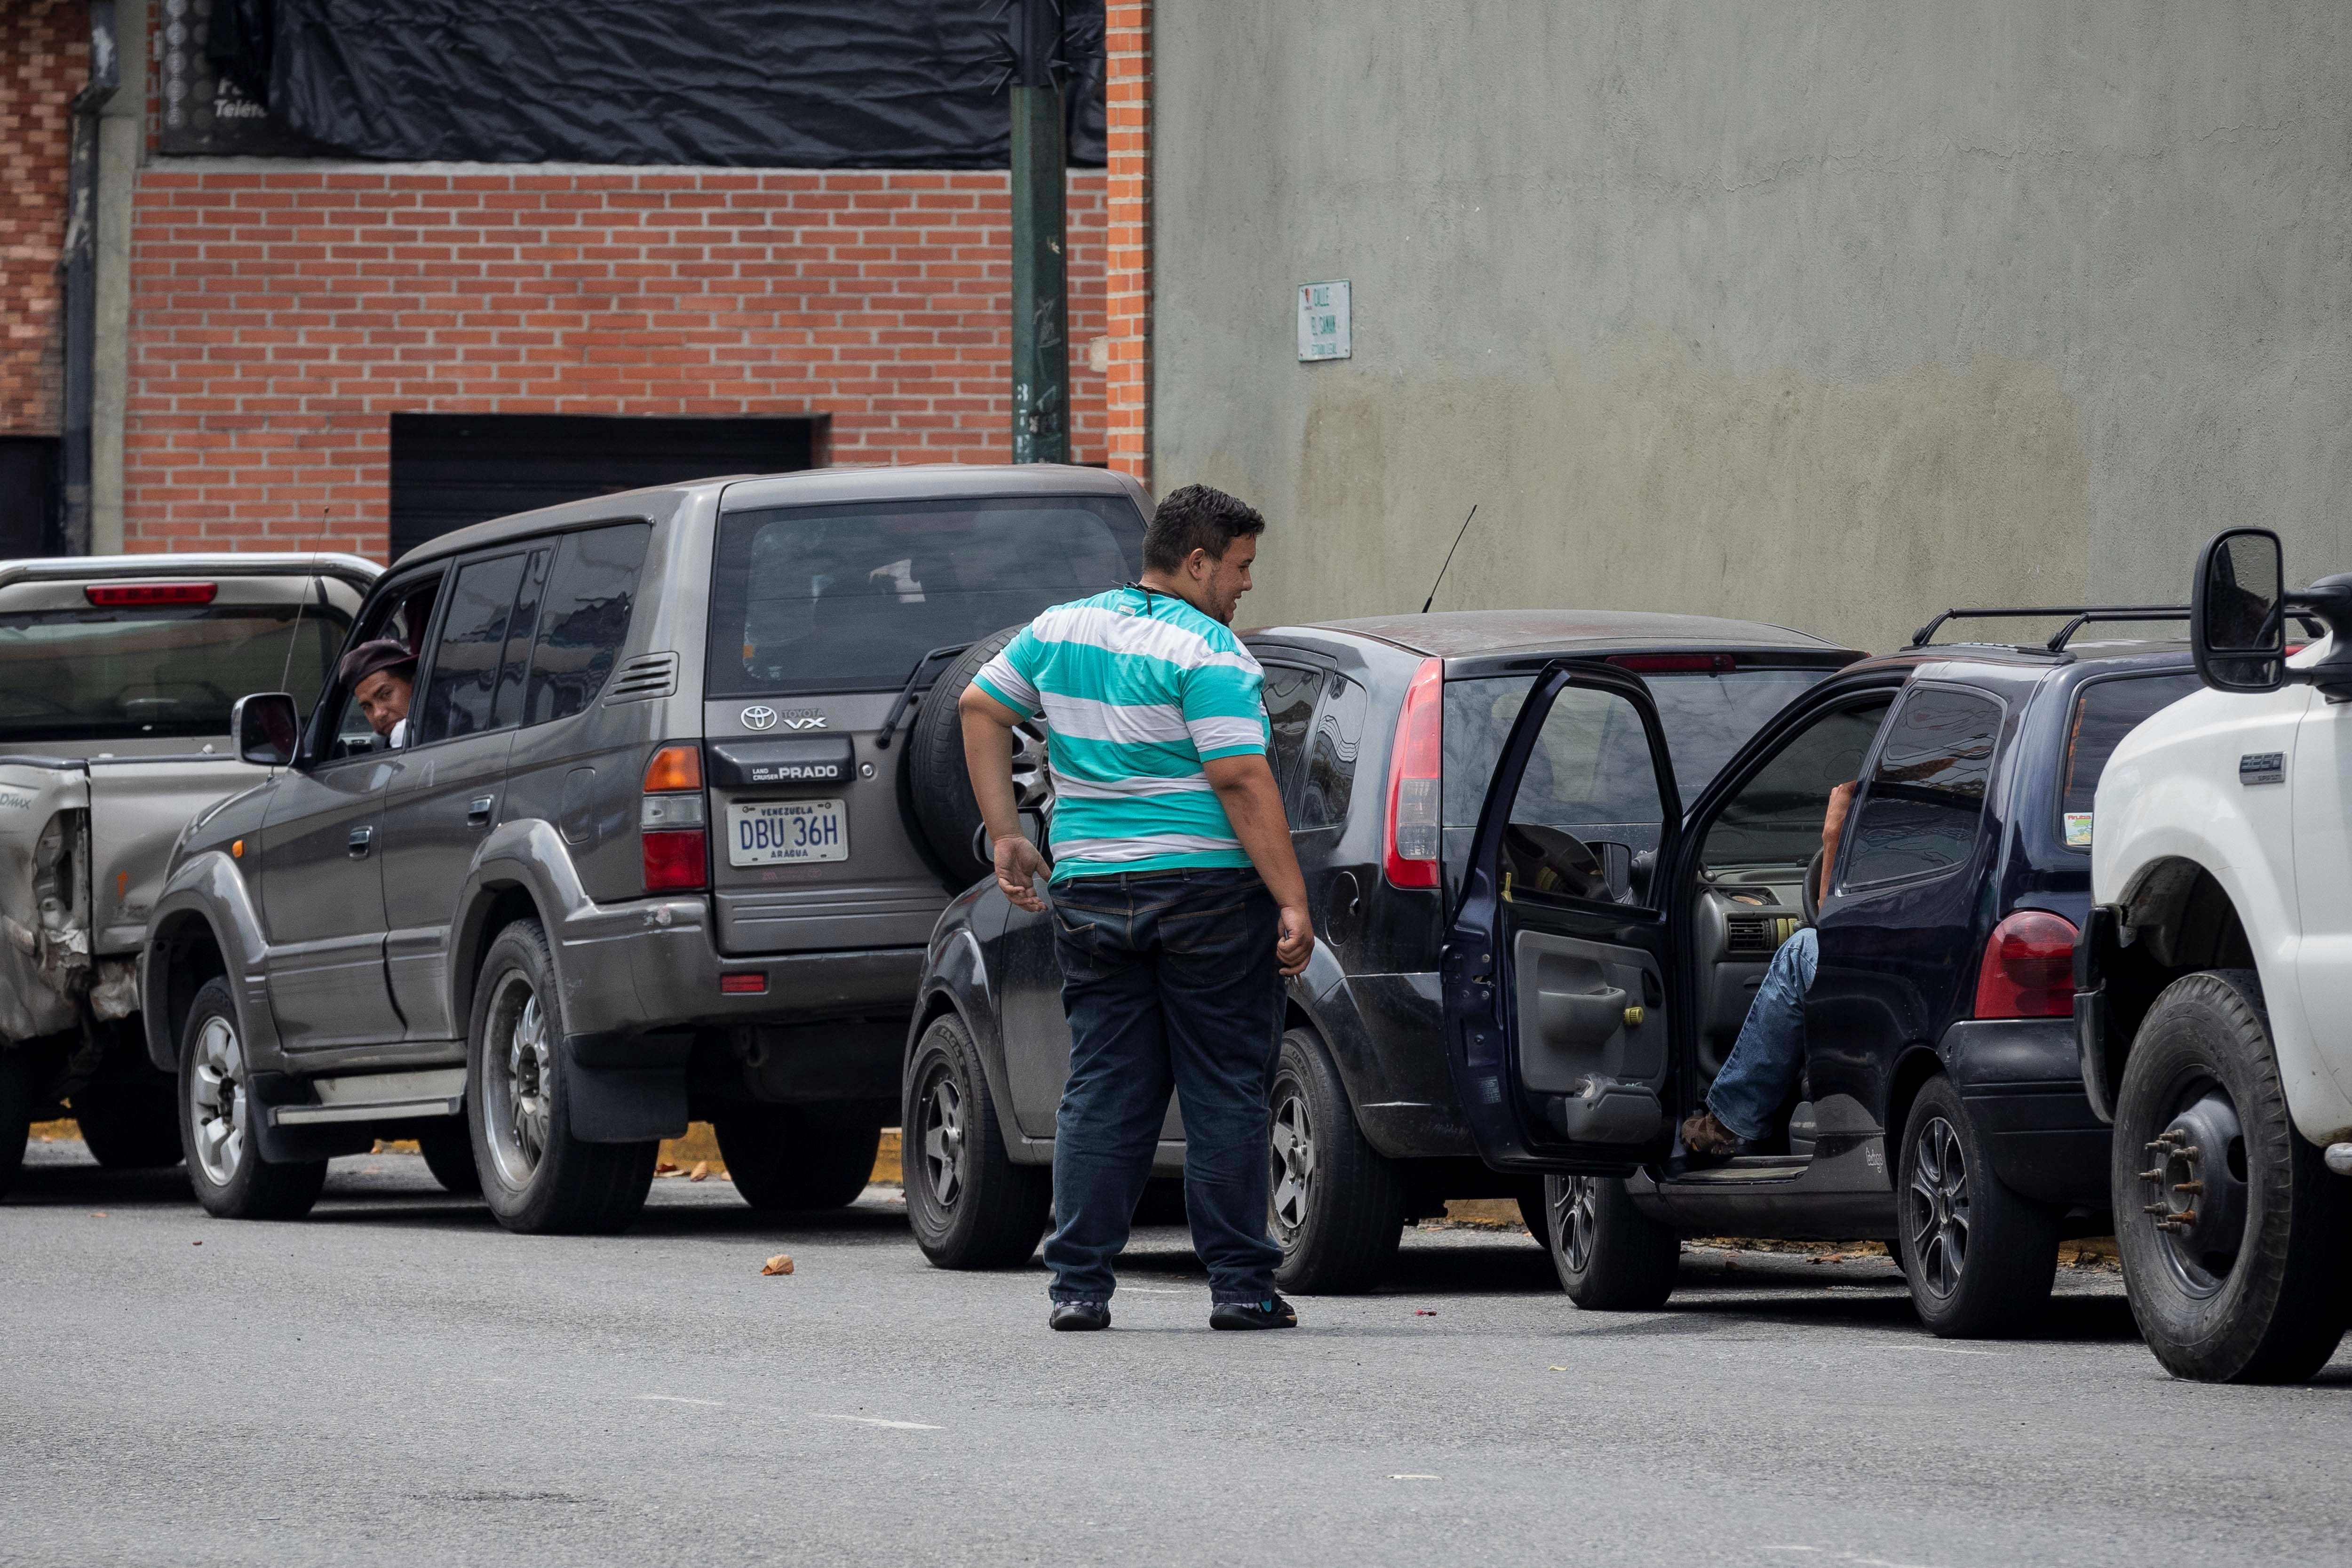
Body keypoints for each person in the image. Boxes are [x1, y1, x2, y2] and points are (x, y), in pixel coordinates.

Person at [959, 484, 1314, 1334]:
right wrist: (1292, 896)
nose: (1246, 585)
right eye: (1240, 566)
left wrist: (1007, 833)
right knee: (1226, 1084)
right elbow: (1239, 776)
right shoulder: (1213, 653)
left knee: (1106, 1085)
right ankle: (1240, 1285)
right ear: (1197, 563)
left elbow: (979, 704)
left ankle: (1078, 1283)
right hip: (1205, 895)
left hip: (1088, 891)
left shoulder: (1058, 628)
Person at [1679, 781, 1857, 1158]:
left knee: (1798, 951)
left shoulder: (1904, 776)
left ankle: (1733, 1120)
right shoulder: (1974, 774)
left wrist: (1837, 822)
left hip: (1895, 965)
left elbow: (1830, 916)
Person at [336, 638, 416, 748]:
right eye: (367, 707)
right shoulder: (380, 743)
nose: (378, 714)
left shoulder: (447, 725)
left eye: (386, 694)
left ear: (414, 684)